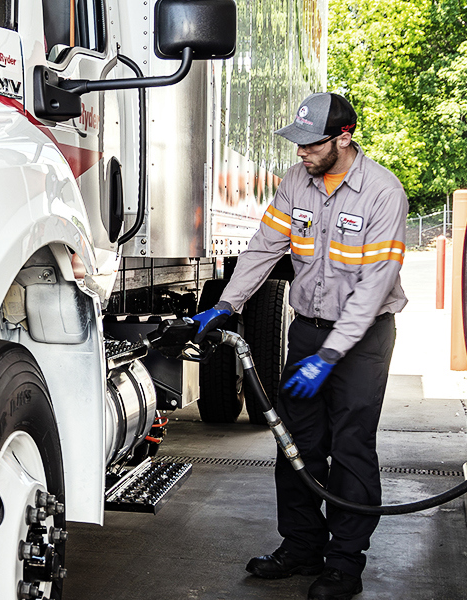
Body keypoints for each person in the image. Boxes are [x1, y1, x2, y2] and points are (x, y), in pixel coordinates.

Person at [192, 92, 408, 600]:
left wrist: (331, 355)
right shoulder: (296, 183)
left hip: (362, 339)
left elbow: (374, 286)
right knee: (296, 445)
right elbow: (265, 247)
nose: (301, 153)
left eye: (311, 144)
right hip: (306, 330)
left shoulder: (382, 193)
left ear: (344, 138)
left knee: (350, 448)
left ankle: (344, 564)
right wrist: (228, 304)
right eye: (298, 143)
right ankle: (301, 546)